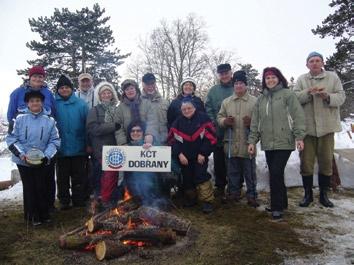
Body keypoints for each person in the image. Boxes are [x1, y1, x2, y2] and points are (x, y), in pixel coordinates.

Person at [248, 67, 305, 221]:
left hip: (284, 141)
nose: (270, 80)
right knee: (275, 173)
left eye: (273, 77)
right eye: (267, 78)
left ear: (279, 78)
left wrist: (299, 137)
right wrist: (252, 141)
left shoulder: (288, 95)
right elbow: (255, 122)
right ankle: (282, 202)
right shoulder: (261, 99)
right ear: (264, 81)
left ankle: (277, 207)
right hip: (268, 143)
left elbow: (298, 116)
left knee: (275, 172)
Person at [293, 51, 346, 208]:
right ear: (307, 64)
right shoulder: (302, 79)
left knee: (326, 163)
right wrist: (308, 92)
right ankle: (307, 195)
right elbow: (295, 99)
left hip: (327, 128)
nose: (315, 63)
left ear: (322, 63)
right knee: (306, 164)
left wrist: (327, 97)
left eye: (317, 60)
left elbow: (341, 97)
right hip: (307, 129)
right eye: (311, 61)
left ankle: (324, 195)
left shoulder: (332, 77)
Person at [6, 90, 60, 226]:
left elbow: (55, 140)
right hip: (23, 160)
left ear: (42, 102)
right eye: (32, 101)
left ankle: (44, 214)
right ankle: (32, 216)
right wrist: (22, 155)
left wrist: (46, 155)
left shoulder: (50, 120)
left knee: (42, 186)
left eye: (37, 101)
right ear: (27, 103)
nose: (35, 103)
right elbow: (12, 139)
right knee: (30, 187)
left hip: (42, 159)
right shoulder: (18, 118)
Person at [217, 70, 258, 207]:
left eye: (241, 83)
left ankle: (252, 195)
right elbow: (219, 117)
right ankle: (233, 193)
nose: (238, 86)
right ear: (233, 85)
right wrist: (224, 121)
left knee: (250, 173)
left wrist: (252, 122)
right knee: (232, 172)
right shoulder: (227, 102)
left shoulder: (255, 101)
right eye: (236, 83)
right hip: (231, 143)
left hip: (248, 143)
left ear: (245, 85)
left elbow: (261, 121)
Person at [168, 98, 216, 213]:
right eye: (184, 109)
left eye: (189, 108)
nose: (187, 110)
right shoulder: (177, 122)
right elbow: (172, 141)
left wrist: (203, 153)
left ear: (194, 108)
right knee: (187, 178)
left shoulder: (203, 119)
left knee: (201, 177)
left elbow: (211, 138)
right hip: (185, 158)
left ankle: (207, 202)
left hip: (200, 156)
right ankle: (191, 199)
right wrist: (179, 154)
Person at [55, 74, 89, 210]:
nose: (64, 90)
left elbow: (88, 126)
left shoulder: (81, 104)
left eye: (67, 87)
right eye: (61, 88)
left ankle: (78, 200)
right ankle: (64, 200)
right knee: (62, 178)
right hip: (60, 148)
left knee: (79, 177)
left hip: (78, 147)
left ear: (71, 88)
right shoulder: (53, 104)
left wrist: (87, 144)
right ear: (58, 90)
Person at [86, 81, 121, 208]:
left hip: (116, 147)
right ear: (99, 96)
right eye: (103, 93)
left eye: (109, 92)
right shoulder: (94, 110)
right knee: (105, 175)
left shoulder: (118, 109)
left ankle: (112, 200)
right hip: (101, 148)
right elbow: (93, 129)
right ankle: (102, 201)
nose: (106, 95)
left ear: (112, 94)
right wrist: (113, 126)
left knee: (114, 176)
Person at [205, 63, 234, 196]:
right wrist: (214, 122)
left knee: (233, 160)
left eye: (226, 73)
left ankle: (235, 186)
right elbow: (208, 108)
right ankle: (220, 185)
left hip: (234, 132)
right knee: (219, 160)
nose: (224, 76)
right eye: (221, 74)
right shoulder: (213, 91)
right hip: (218, 132)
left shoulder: (237, 87)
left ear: (230, 73)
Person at [106, 79, 158, 146]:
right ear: (124, 92)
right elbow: (118, 127)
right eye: (127, 89)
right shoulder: (120, 108)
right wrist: (122, 143)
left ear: (136, 89)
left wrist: (150, 135)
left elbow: (152, 121)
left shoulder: (146, 103)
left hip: (147, 143)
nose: (130, 91)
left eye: (131, 88)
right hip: (128, 143)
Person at [124, 121, 160, 205]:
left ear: (143, 132)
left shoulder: (152, 146)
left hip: (151, 188)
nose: (135, 133)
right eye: (132, 131)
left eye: (138, 131)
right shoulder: (126, 148)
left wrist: (153, 146)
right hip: (132, 187)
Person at [141, 73, 169, 144]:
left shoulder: (165, 102)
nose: (150, 86)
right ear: (143, 84)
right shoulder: (137, 102)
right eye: (147, 84)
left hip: (164, 143)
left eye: (152, 83)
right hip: (143, 144)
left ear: (155, 84)